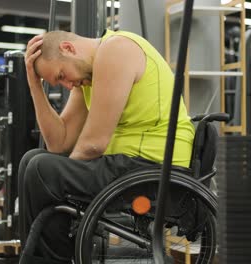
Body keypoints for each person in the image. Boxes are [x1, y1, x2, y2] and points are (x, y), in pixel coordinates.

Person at [18, 29, 195, 263]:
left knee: (43, 169)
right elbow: (58, 144)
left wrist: (60, 179)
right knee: (32, 160)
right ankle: (37, 255)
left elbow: (93, 145)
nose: (68, 85)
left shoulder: (115, 50)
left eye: (61, 75)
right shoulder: (87, 78)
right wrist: (34, 85)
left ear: (69, 48)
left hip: (155, 167)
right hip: (132, 165)